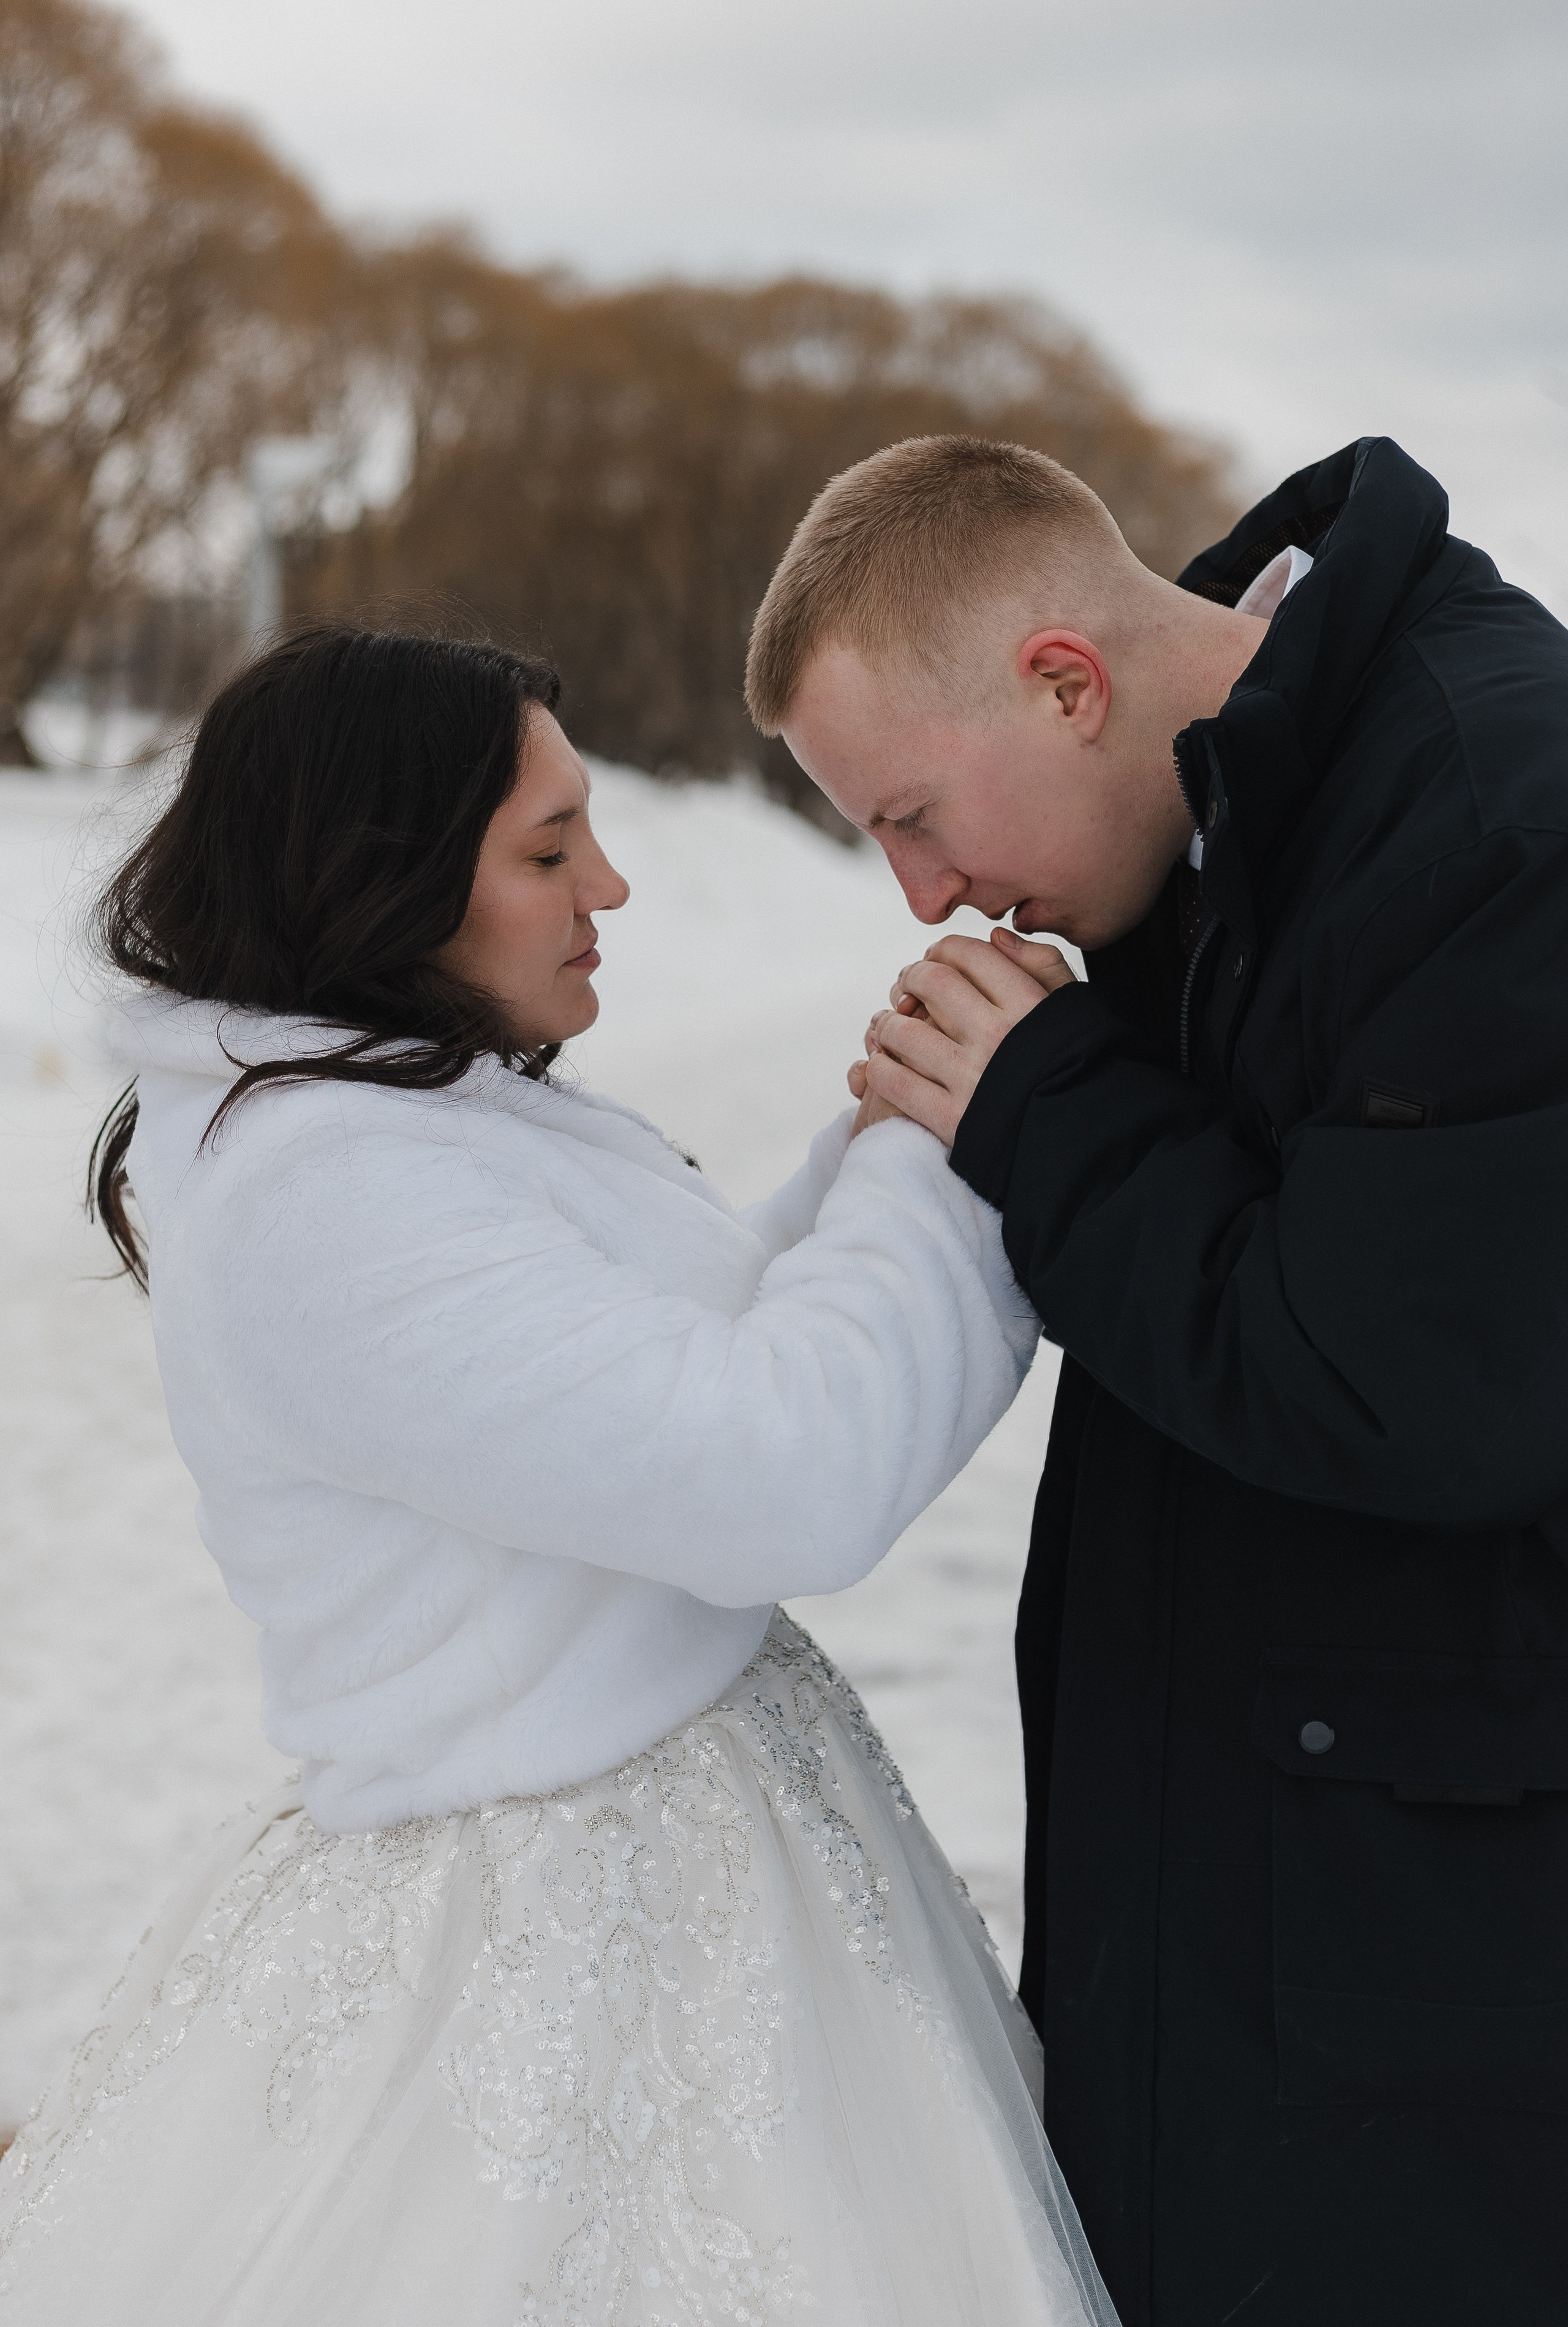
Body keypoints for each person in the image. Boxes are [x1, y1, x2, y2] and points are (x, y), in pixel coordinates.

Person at [0, 625, 1119, 2326]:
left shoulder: (409, 1112)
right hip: (562, 1943)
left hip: (683, 1855)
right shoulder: (325, 1197)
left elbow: (671, 1365)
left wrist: (901, 1123)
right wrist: (943, 1146)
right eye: (545, 849)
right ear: (382, 880)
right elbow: (773, 1474)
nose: (608, 885)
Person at [747, 432, 1568, 2326]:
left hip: (1440, 2005)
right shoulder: (1235, 819)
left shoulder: (1492, 818)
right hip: (1261, 1929)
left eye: (914, 816)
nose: (925, 894)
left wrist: (1046, 1108)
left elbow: (1411, 1384)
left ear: (1065, 681)